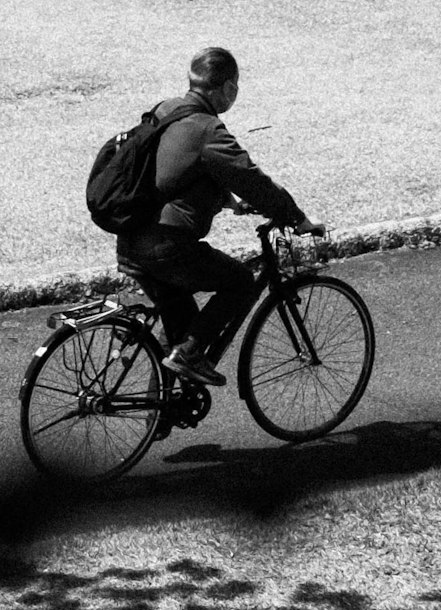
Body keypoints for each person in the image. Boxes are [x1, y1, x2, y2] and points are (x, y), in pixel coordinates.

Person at [114, 45, 315, 382]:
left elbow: (174, 170)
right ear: (229, 88)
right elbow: (250, 177)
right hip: (165, 247)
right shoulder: (208, 128)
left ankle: (159, 413)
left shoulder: (166, 110)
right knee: (238, 281)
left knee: (182, 326)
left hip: (130, 237)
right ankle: (191, 356)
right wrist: (296, 217)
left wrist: (227, 201)